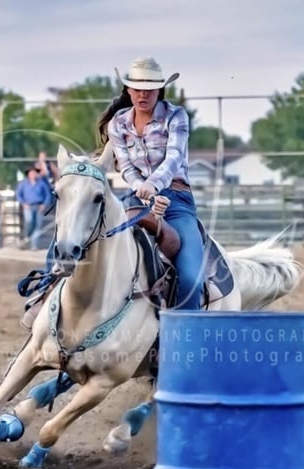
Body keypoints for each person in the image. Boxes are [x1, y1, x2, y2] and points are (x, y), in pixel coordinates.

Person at [17, 57, 205, 323]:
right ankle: (46, 293)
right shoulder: (118, 123)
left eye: (149, 87)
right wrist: (144, 188)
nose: (143, 93)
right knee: (77, 224)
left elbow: (174, 157)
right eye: (137, 87)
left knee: (190, 277)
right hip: (137, 197)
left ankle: (187, 332)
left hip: (177, 200)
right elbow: (126, 167)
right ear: (128, 89)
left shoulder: (176, 116)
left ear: (160, 90)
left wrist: (155, 186)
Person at [15, 164, 51, 249]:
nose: (33, 174)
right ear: (28, 174)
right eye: (32, 173)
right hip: (28, 205)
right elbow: (18, 194)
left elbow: (47, 195)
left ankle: (34, 245)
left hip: (39, 206)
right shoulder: (23, 183)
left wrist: (44, 204)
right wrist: (23, 203)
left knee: (38, 225)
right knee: (29, 221)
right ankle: (27, 235)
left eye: (35, 172)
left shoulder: (41, 183)